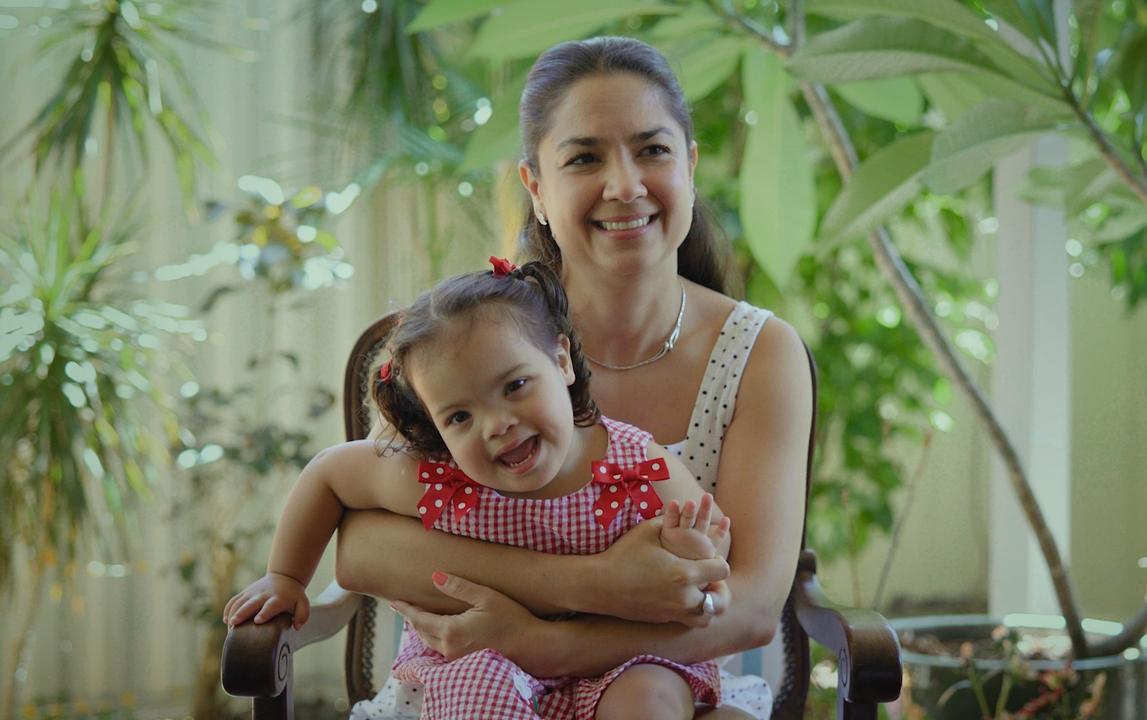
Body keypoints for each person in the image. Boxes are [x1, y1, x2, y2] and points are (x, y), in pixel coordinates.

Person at [337, 36, 811, 720]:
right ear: (536, 187)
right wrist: (593, 582)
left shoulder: (759, 352)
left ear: (690, 166)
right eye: (584, 157)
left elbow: (753, 607)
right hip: (476, 688)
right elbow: (360, 550)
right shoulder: (471, 341)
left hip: (663, 690)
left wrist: (547, 643)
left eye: (652, 150)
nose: (625, 185)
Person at [224, 258, 735, 719]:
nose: (496, 425)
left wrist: (693, 548)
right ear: (434, 426)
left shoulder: (634, 467)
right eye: (460, 416)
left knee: (649, 696)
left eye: (514, 386)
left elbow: (708, 548)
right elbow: (330, 474)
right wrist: (285, 576)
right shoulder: (443, 480)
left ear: (560, 362)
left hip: (615, 656)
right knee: (474, 688)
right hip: (480, 656)